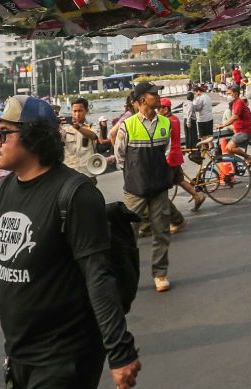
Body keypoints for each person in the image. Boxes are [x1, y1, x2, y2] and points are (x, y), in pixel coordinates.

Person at [0, 97, 141, 389]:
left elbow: (98, 277)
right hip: (19, 354)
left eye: (3, 132)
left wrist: (120, 351)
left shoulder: (75, 194)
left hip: (65, 357)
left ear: (34, 136)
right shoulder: (5, 190)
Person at [114, 80, 174, 293]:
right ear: (142, 100)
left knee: (162, 231)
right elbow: (119, 155)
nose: (157, 97)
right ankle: (126, 275)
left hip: (159, 186)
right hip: (135, 189)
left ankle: (160, 273)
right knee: (129, 234)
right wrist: (131, 174)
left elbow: (166, 151)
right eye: (153, 94)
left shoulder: (165, 123)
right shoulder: (127, 125)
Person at [158, 97, 204, 230]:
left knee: (162, 189)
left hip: (169, 157)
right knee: (180, 180)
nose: (157, 111)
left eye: (159, 108)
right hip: (177, 154)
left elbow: (165, 140)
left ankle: (171, 220)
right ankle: (197, 195)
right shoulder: (175, 119)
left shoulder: (166, 121)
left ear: (165, 109)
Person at [61, 98, 100, 176]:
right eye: (74, 111)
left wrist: (77, 127)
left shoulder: (93, 126)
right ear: (71, 111)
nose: (77, 114)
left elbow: (93, 135)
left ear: (86, 110)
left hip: (88, 171)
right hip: (70, 172)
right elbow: (58, 139)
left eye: (80, 111)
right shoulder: (65, 128)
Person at [225, 85, 251, 165]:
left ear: (235, 93)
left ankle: (249, 157)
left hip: (245, 131)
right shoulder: (234, 103)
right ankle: (234, 168)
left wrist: (223, 125)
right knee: (229, 150)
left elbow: (235, 117)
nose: (228, 95)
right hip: (240, 131)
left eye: (229, 93)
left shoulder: (239, 102)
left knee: (229, 148)